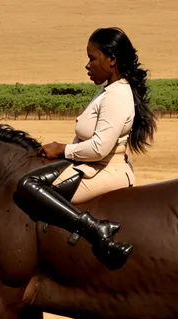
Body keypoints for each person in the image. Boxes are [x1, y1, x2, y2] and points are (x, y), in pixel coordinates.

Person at [13, 27, 156, 270]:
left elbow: (100, 148)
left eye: (92, 58)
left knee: (29, 186)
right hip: (92, 165)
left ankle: (96, 230)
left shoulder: (117, 95)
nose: (87, 65)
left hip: (105, 170)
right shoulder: (108, 91)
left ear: (111, 60)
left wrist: (62, 149)